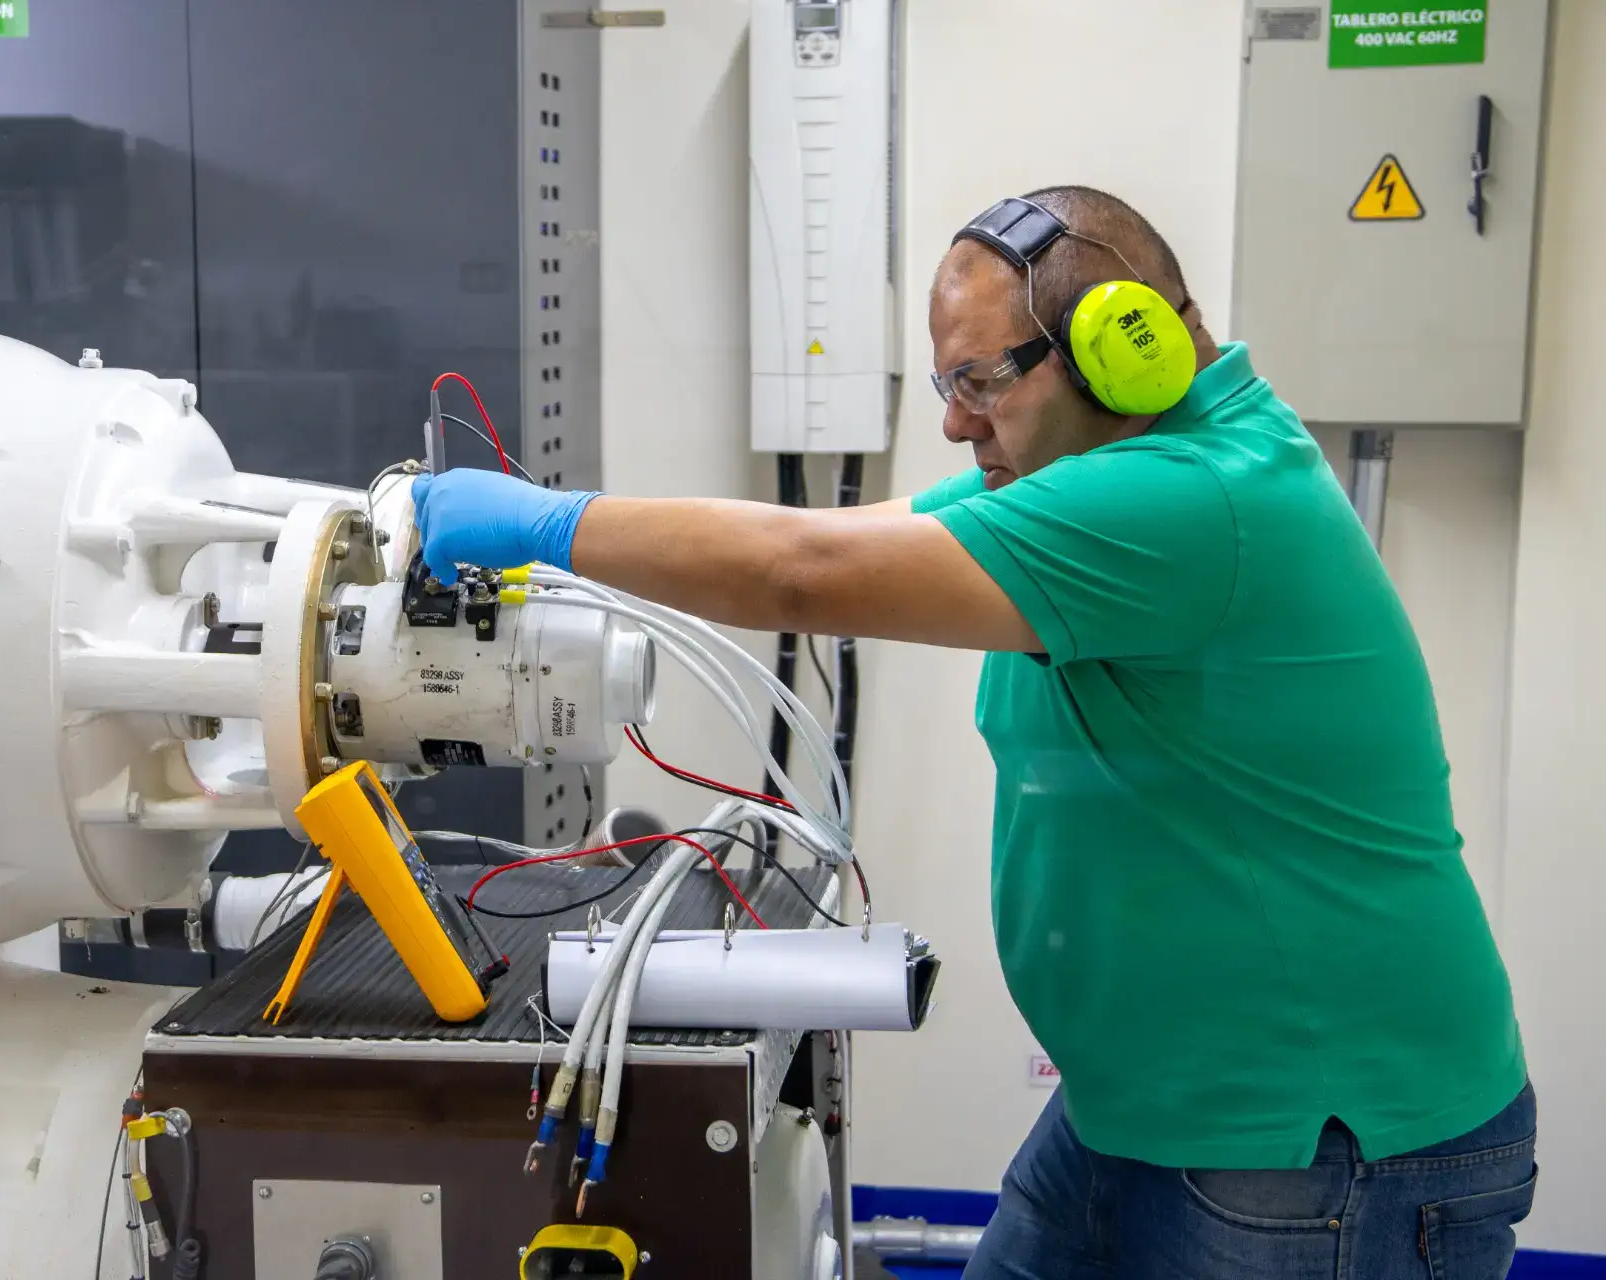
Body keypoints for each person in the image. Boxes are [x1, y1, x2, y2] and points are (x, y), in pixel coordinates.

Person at [412, 186, 1535, 1279]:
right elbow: (820, 536)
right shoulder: (1101, 470)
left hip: (1324, 1146)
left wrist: (543, 522)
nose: (953, 421)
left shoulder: (1198, 499)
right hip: (1141, 1106)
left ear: (1119, 351)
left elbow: (802, 575)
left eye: (979, 381)